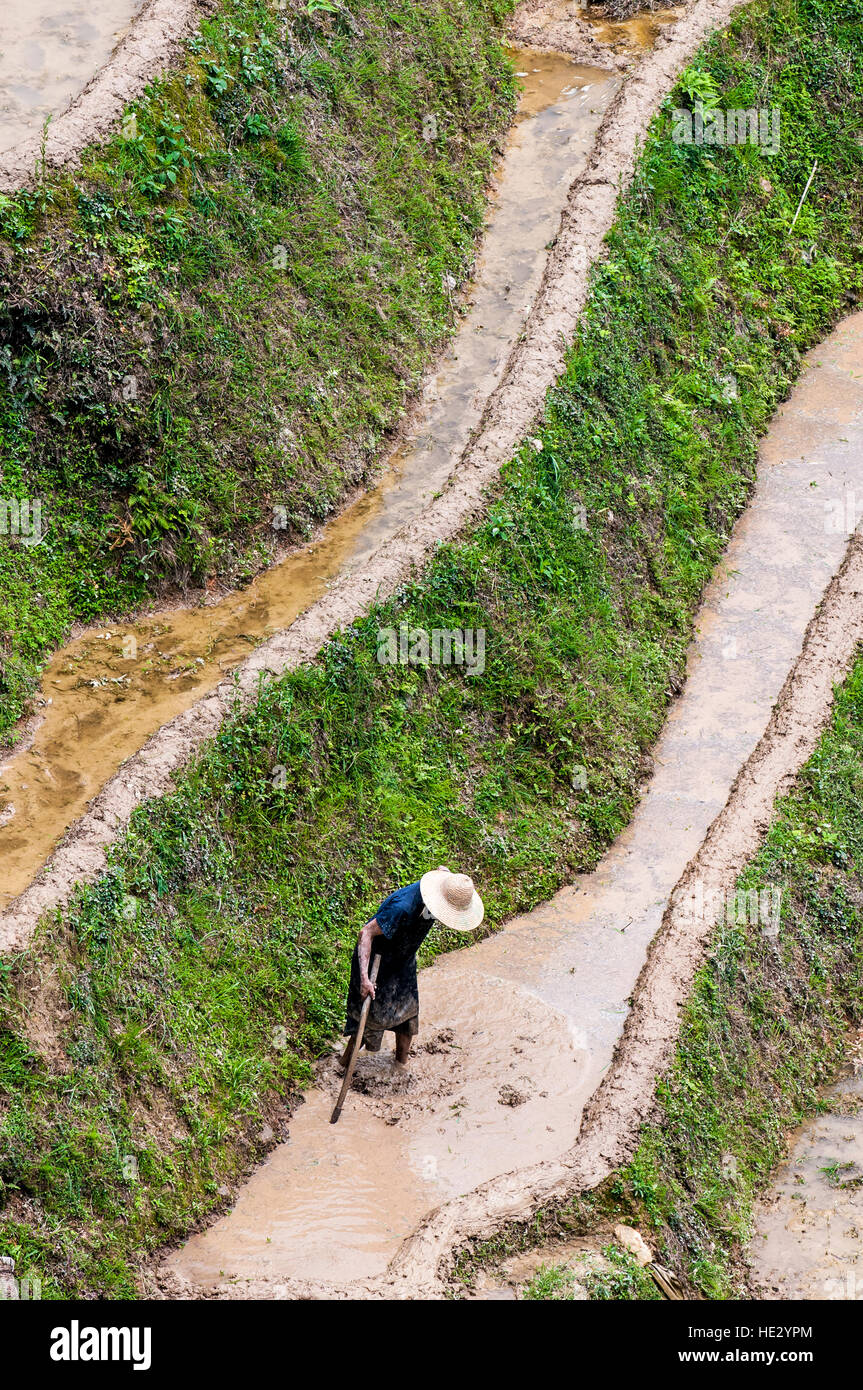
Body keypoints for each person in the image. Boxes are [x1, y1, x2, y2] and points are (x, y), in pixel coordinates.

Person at [339, 867, 484, 1069]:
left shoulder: (443, 888)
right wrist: (364, 978)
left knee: (408, 1018)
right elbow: (365, 934)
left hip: (403, 961)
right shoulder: (403, 907)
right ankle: (344, 1066)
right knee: (368, 1024)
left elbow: (442, 871)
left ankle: (399, 1068)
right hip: (377, 961)